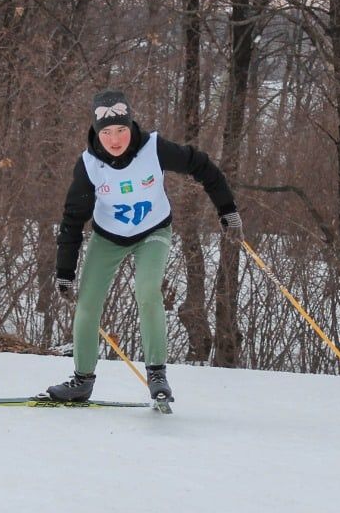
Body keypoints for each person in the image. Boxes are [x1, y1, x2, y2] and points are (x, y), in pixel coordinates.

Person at [47, 89, 242, 403]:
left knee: (148, 289)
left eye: (121, 130)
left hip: (153, 232)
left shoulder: (153, 148)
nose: (115, 139)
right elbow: (72, 220)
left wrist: (227, 210)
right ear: (98, 133)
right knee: (87, 303)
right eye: (107, 132)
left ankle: (157, 375)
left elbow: (202, 166)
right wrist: (65, 271)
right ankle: (82, 379)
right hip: (108, 238)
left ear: (130, 126)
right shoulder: (89, 166)